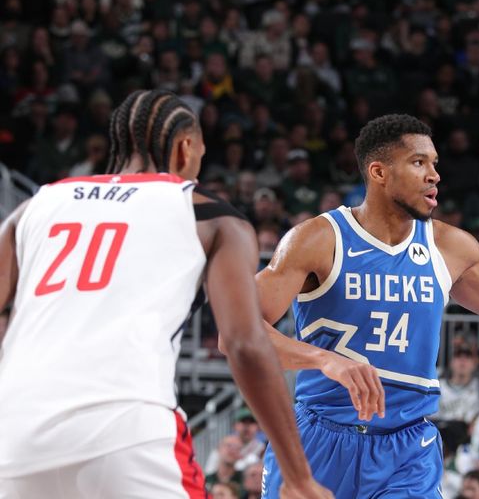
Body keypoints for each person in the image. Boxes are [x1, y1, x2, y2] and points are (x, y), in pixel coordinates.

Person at [252, 114, 479, 497]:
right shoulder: (317, 239)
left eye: (434, 164)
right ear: (378, 172)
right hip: (319, 440)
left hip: (408, 450)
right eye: (418, 163)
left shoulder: (449, 247)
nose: (434, 175)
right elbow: (239, 335)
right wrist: (324, 359)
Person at [0, 89, 330, 499]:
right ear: (185, 148)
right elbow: (246, 343)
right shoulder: (210, 216)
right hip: (125, 430)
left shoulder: (34, 206)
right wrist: (298, 476)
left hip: (13, 433)